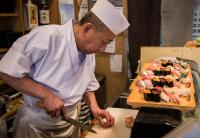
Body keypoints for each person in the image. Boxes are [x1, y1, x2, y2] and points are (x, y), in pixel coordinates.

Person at [0, 0, 129, 137]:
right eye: (104, 42)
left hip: (71, 121)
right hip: (38, 126)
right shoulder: (47, 37)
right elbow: (6, 70)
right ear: (87, 29)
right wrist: (46, 95)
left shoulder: (88, 50)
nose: (103, 49)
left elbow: (86, 85)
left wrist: (95, 108)